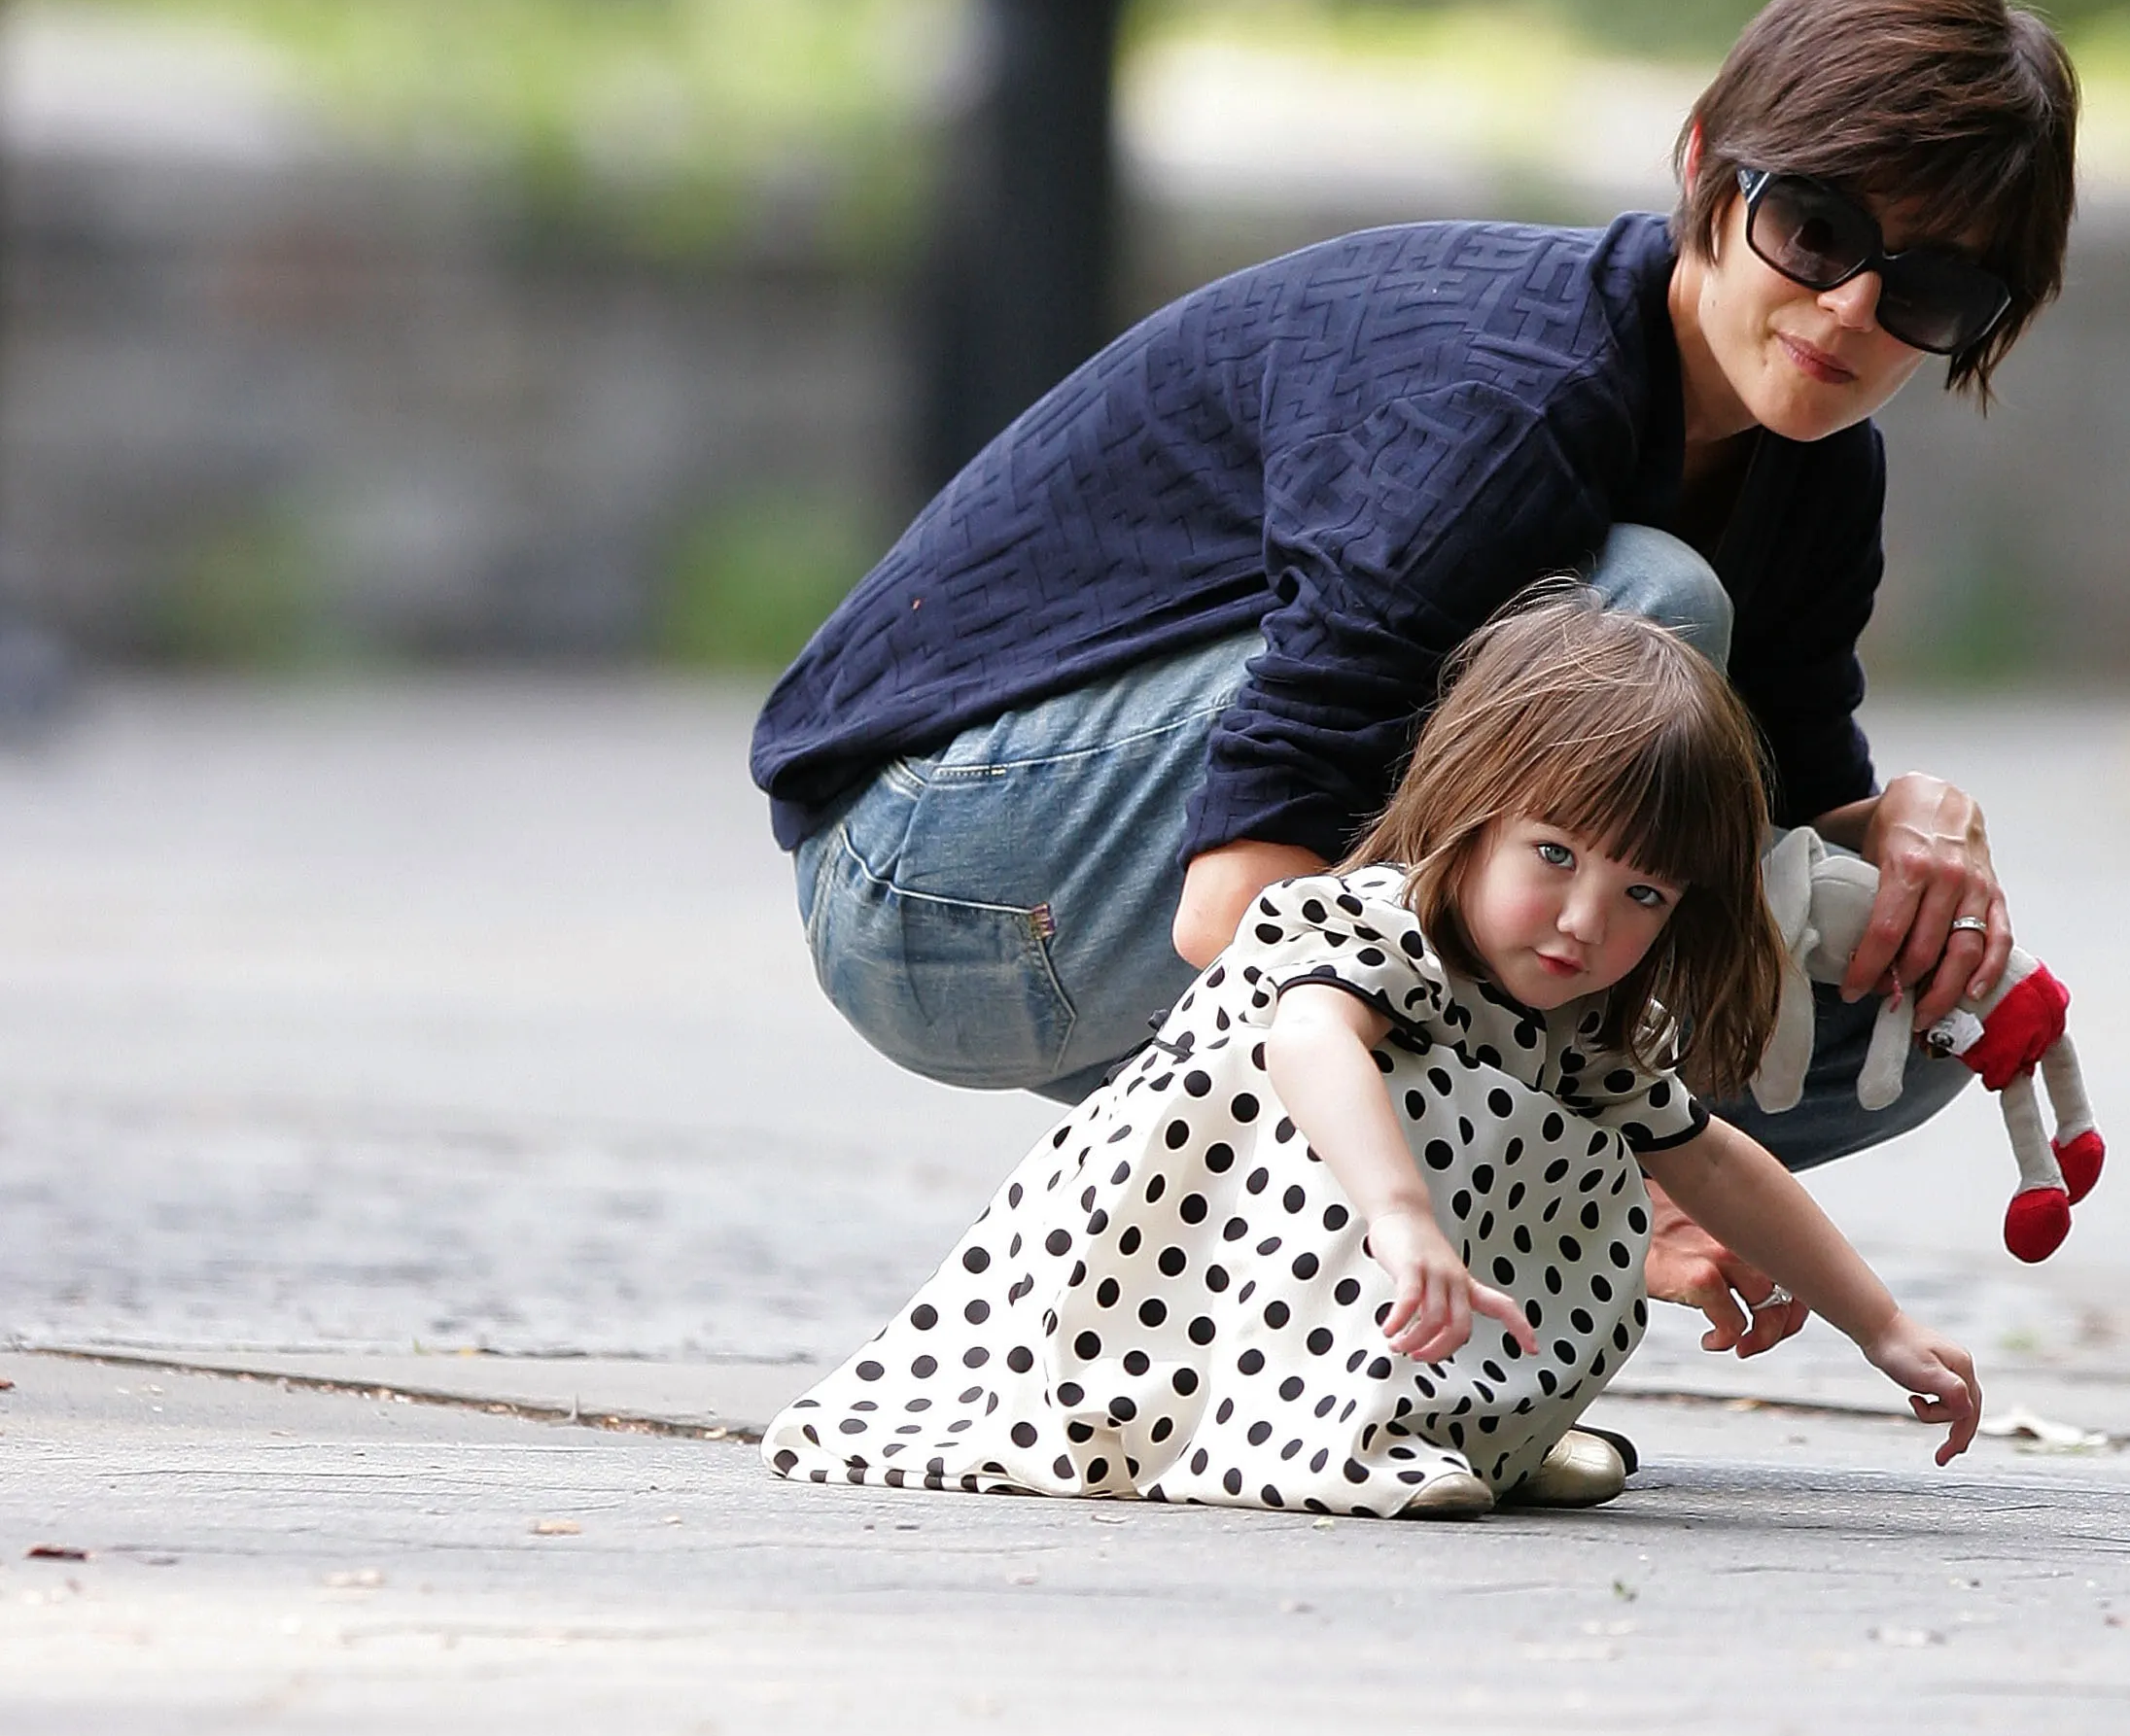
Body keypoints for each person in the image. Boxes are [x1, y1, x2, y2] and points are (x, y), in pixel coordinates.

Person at [750, 0, 2078, 1362]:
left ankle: (1428, 1337)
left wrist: (1914, 822)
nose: (1852, 313)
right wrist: (1583, 1168)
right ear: (1704, 166)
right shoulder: (1510, 398)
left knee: (1906, 1002)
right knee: (1635, 624)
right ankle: (1410, 1260)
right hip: (940, 873)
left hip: (1163, 908)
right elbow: (1243, 908)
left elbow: (1768, 814)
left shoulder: (1816, 467)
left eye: (1932, 291)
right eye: (1816, 231)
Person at [763, 595, 1982, 1516]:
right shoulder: (1377, 921)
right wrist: (1402, 1217)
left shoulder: (1580, 1013)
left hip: (1400, 1283)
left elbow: (1713, 1159)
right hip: (1203, 1266)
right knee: (1432, 1103)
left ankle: (1477, 1418)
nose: (1583, 923)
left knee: (1593, 1153)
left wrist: (1880, 1327)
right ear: (1469, 813)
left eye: (1643, 893)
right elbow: (1307, 1040)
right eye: (1553, 855)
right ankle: (1322, 1432)